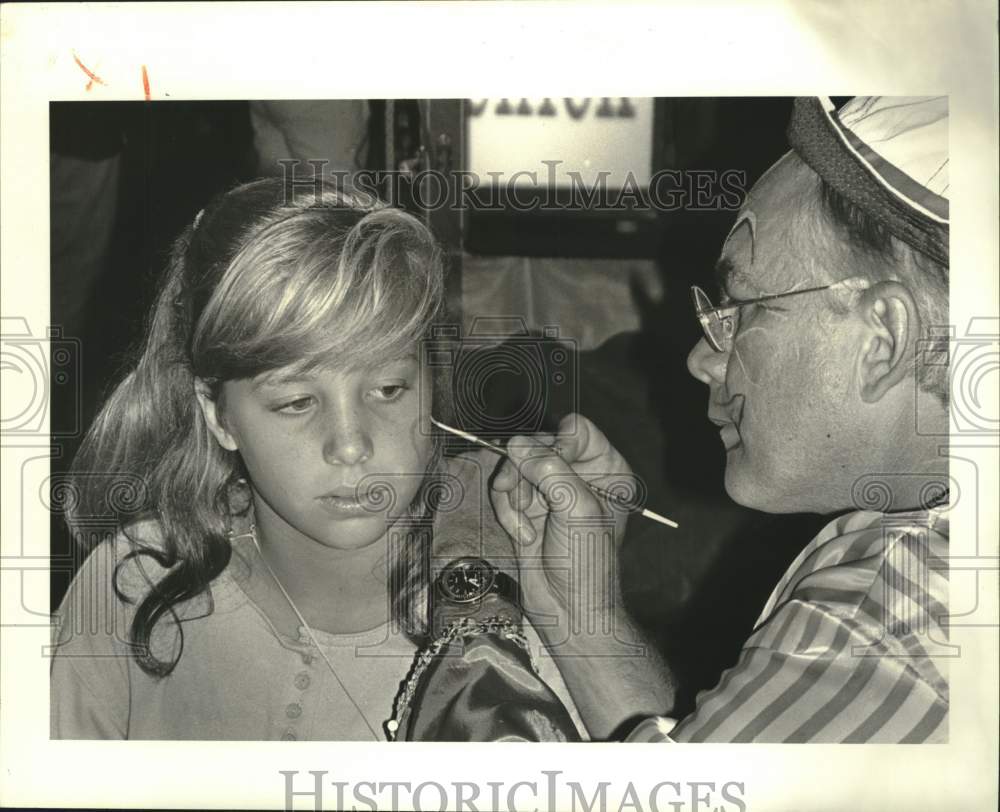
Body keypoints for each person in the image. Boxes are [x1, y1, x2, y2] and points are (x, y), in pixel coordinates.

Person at [395, 96, 951, 743]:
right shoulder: (907, 534)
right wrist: (583, 611)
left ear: (882, 338)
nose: (698, 358)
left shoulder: (881, 628)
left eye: (741, 308)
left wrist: (470, 556)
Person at [50, 177, 582, 740]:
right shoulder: (131, 585)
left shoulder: (500, 630)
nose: (352, 446)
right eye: (297, 402)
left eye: (388, 389)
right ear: (217, 414)